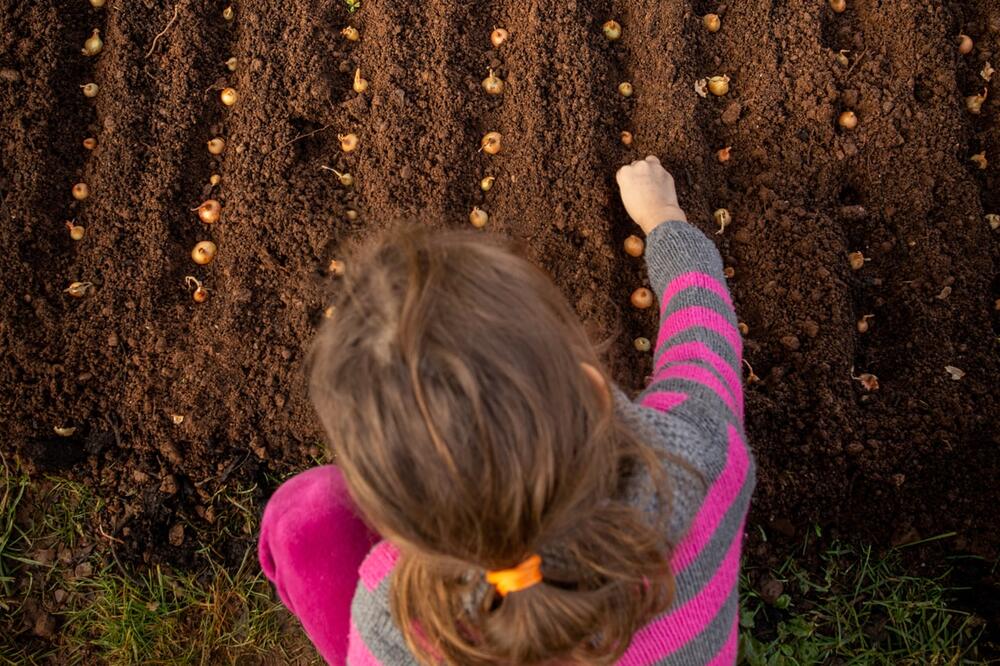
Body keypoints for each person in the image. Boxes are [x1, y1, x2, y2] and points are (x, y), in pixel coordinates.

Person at [258, 156, 756, 665]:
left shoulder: (396, 624)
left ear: (397, 521)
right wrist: (664, 218)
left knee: (305, 515)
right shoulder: (700, 455)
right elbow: (703, 341)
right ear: (594, 389)